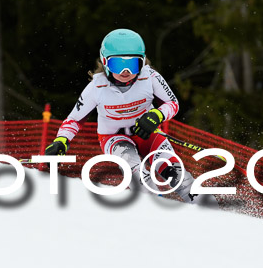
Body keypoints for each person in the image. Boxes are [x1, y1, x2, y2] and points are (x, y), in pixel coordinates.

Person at [44, 28, 204, 204]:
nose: (126, 71)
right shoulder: (96, 87)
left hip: (147, 134)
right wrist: (61, 141)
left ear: (142, 63)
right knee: (140, 177)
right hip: (114, 138)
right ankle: (154, 216)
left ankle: (209, 211)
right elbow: (74, 120)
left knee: (177, 174)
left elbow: (172, 104)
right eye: (118, 64)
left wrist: (157, 115)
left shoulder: (150, 77)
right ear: (105, 63)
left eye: (133, 64)